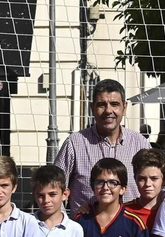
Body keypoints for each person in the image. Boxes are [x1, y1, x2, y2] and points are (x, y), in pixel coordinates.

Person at [55, 79, 149, 214]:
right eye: (101, 105)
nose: (108, 110)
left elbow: (161, 183)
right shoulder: (75, 144)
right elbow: (53, 187)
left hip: (130, 230)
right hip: (86, 231)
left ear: (125, 107)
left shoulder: (140, 143)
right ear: (92, 108)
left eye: (114, 104)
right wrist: (65, 226)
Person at [127, 149, 165, 231]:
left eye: (154, 178)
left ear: (164, 181)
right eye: (142, 178)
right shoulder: (124, 212)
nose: (147, 184)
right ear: (135, 179)